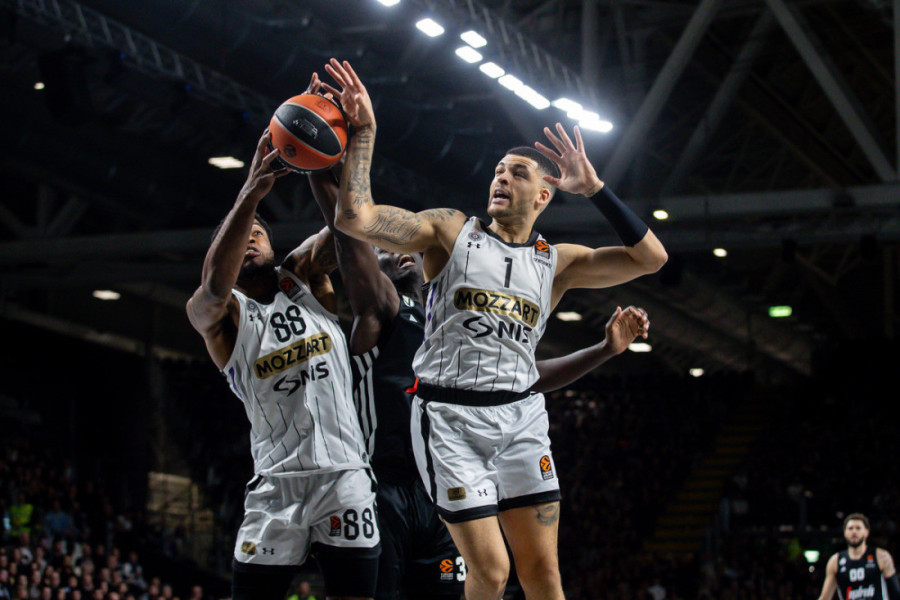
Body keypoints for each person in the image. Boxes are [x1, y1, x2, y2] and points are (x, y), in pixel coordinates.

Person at [320, 59, 667, 600]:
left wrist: (596, 187)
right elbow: (355, 219)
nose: (501, 178)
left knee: (545, 577)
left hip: (521, 417)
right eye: (498, 170)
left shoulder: (558, 262)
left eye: (517, 173)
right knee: (491, 573)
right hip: (450, 417)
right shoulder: (449, 232)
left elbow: (651, 258)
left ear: (543, 196)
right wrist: (364, 131)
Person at [185, 130, 380, 600]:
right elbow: (213, 285)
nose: (251, 238)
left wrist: (338, 152)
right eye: (242, 235)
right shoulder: (220, 315)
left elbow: (348, 227)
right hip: (276, 485)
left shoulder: (305, 276)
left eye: (259, 233)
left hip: (344, 476)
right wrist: (250, 192)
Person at [817, 513, 900, 600]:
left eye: (858, 528)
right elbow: (825, 597)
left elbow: (896, 592)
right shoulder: (835, 561)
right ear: (845, 532)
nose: (854, 531)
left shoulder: (881, 556)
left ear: (866, 532)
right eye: (850, 528)